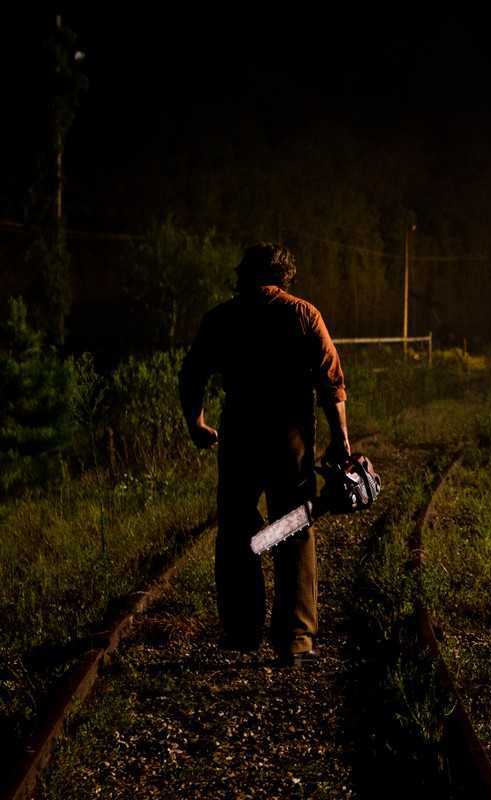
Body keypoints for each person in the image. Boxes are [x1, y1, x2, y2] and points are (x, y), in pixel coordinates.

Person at [179, 243, 350, 666]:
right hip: (289, 439)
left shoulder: (222, 318)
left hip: (240, 437)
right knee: (293, 526)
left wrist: (196, 423)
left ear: (244, 274)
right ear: (284, 275)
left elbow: (193, 372)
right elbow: (331, 380)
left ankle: (242, 630)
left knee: (238, 528)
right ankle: (295, 636)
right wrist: (340, 438)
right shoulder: (303, 314)